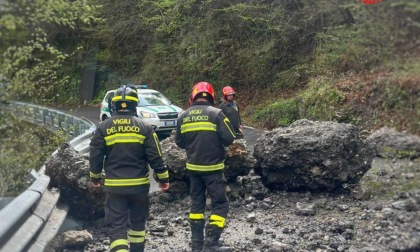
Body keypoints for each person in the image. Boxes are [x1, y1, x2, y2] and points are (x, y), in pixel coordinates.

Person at [89, 85, 170, 252]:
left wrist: (95, 177)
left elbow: (95, 156)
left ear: (115, 105)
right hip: (139, 187)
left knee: (117, 227)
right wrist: (163, 179)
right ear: (135, 105)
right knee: (138, 224)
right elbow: (156, 157)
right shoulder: (145, 127)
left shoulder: (103, 127)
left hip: (115, 187)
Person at [175, 81, 236, 252]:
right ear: (211, 97)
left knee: (197, 205)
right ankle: (211, 243)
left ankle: (196, 244)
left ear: (192, 98)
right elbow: (229, 138)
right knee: (220, 204)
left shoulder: (183, 116)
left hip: (193, 169)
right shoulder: (217, 114)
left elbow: (179, 142)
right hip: (213, 170)